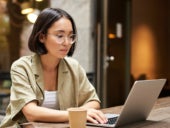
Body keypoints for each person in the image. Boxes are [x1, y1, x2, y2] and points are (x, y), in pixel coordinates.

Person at [0, 8, 107, 127]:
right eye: (60, 36)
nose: (67, 42)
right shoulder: (21, 67)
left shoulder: (73, 66)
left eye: (70, 36)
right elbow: (31, 112)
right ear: (41, 37)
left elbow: (93, 101)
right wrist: (76, 115)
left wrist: (81, 113)